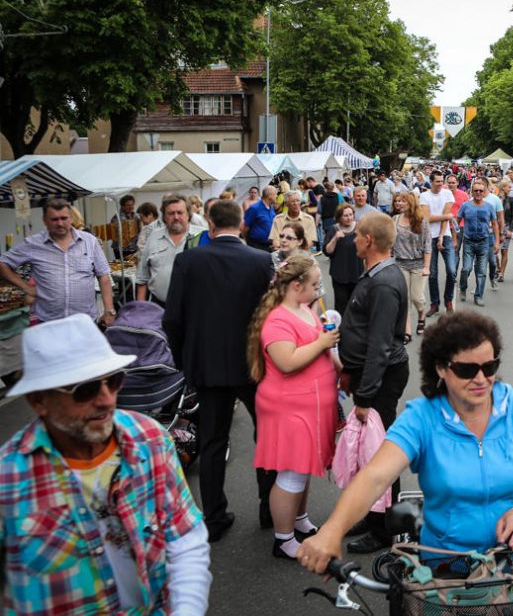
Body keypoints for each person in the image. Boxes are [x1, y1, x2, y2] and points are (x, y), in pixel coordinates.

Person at [297, 311, 513, 607]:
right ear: (441, 369)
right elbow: (375, 477)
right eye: (466, 370)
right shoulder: (421, 418)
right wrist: (332, 530)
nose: (481, 379)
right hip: (449, 567)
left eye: (490, 366)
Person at [1, 313, 211, 615]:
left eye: (113, 381)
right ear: (38, 400)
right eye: (84, 390)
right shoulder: (8, 479)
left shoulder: (150, 439)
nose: (106, 399)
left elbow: (184, 537)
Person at [163, 200, 275, 542]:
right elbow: (271, 317)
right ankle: (270, 508)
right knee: (266, 438)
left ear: (209, 225)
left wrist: (185, 361)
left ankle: (213, 516)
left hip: (207, 366)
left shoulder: (188, 260)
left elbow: (172, 319)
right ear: (241, 224)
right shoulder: (260, 261)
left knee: (212, 441)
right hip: (253, 365)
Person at [247, 257, 341, 560]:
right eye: (314, 284)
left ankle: (298, 520)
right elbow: (287, 362)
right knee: (291, 473)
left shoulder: (304, 310)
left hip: (310, 406)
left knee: (304, 468)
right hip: (289, 408)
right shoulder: (277, 320)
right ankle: (283, 538)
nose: (317, 289)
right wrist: (324, 342)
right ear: (296, 285)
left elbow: (322, 351)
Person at [335, 212, 410, 553]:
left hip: (380, 378)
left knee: (382, 454)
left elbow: (380, 344)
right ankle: (372, 512)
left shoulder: (382, 282)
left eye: (357, 236)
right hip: (373, 376)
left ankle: (384, 531)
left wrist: (364, 397)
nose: (353, 241)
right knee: (372, 452)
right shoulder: (378, 275)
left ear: (368, 240)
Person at [0, 198, 116, 326]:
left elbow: (104, 277)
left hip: (85, 322)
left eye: (64, 218)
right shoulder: (33, 244)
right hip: (48, 323)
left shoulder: (89, 241)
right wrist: (26, 287)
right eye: (54, 219)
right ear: (45, 220)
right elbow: (3, 263)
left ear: (71, 218)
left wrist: (109, 311)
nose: (60, 223)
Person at [136, 194, 203, 306]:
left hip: (195, 309)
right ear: (164, 217)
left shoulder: (202, 236)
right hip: (160, 308)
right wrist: (140, 310)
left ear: (188, 215)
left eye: (180, 212)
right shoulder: (153, 237)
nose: (176, 217)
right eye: (171, 213)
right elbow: (142, 278)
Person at [392, 192, 431, 342]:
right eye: (396, 201)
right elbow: (390, 242)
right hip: (400, 263)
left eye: (402, 201)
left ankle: (422, 314)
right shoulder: (394, 220)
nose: (398, 203)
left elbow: (428, 246)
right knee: (404, 299)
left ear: (410, 203)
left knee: (417, 298)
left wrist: (426, 267)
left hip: (418, 264)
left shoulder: (421, 222)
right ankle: (407, 331)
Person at [419, 170, 456, 316]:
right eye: (438, 181)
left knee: (451, 271)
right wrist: (445, 216)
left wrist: (441, 236)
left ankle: (448, 300)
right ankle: (435, 304)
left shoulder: (447, 194)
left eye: (442, 181)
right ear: (431, 181)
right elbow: (427, 218)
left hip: (444, 235)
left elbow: (446, 219)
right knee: (432, 273)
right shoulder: (424, 196)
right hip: (428, 236)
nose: (441, 184)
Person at [458, 179, 499, 307]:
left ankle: (478, 295)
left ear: (485, 191)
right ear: (472, 191)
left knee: (481, 272)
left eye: (481, 190)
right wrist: (455, 237)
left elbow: (495, 224)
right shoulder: (466, 206)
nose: (478, 192)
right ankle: (463, 287)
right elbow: (456, 221)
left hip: (484, 242)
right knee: (466, 269)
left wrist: (497, 242)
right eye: (476, 190)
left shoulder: (489, 207)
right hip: (469, 242)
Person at [323, 203, 363, 317]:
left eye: (351, 215)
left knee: (356, 304)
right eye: (345, 215)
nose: (349, 218)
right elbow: (327, 251)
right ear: (339, 217)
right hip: (340, 273)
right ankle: (341, 329)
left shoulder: (359, 228)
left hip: (357, 272)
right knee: (341, 304)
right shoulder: (333, 229)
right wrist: (335, 238)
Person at [243, 185, 278, 251]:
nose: (277, 196)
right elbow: (245, 227)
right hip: (256, 246)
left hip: (269, 246)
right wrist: (246, 242)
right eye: (275, 194)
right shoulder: (254, 208)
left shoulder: (271, 208)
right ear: (269, 196)